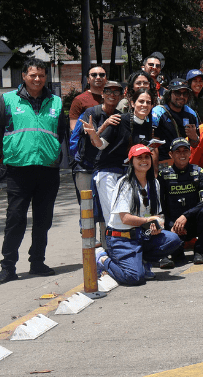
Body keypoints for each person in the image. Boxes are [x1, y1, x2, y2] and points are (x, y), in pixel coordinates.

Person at [0, 58, 69, 282]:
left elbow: (62, 133)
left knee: (43, 220)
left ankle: (37, 262)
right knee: (15, 219)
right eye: (33, 75)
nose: (37, 79)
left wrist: (57, 157)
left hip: (48, 170)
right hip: (18, 170)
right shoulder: (7, 100)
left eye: (41, 75)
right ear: (24, 76)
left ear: (46, 77)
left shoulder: (56, 102)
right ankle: (8, 266)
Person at [93, 144, 183, 284]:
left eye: (147, 157)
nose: (144, 160)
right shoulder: (125, 183)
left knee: (173, 239)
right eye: (139, 158)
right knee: (134, 277)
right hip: (122, 239)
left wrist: (158, 224)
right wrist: (148, 221)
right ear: (131, 162)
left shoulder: (155, 184)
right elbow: (125, 218)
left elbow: (157, 214)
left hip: (142, 235)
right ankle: (102, 258)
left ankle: (143, 261)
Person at [89, 88, 157, 249]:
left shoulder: (147, 124)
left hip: (130, 175)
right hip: (109, 173)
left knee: (136, 213)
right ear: (132, 103)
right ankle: (108, 257)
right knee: (114, 218)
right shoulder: (119, 119)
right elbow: (101, 145)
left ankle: (136, 254)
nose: (144, 105)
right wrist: (93, 133)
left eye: (148, 102)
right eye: (141, 101)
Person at [72, 81, 123, 247]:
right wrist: (106, 124)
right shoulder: (90, 112)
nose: (112, 95)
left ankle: (107, 245)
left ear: (121, 96)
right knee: (87, 206)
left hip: (105, 169)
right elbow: (90, 137)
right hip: (86, 167)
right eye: (108, 91)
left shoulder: (119, 115)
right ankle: (88, 244)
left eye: (116, 92)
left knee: (105, 207)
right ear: (102, 94)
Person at [159, 138, 203, 265]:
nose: (182, 154)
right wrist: (170, 224)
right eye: (177, 151)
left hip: (193, 222)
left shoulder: (199, 171)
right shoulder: (164, 174)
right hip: (173, 225)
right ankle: (168, 251)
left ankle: (200, 251)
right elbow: (160, 204)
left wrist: (185, 216)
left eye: (185, 151)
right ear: (170, 154)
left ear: (190, 153)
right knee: (178, 258)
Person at [69, 66, 108, 131]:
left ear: (106, 79)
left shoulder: (112, 97)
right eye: (94, 75)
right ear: (88, 80)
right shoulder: (79, 100)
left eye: (101, 75)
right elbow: (74, 127)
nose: (98, 77)